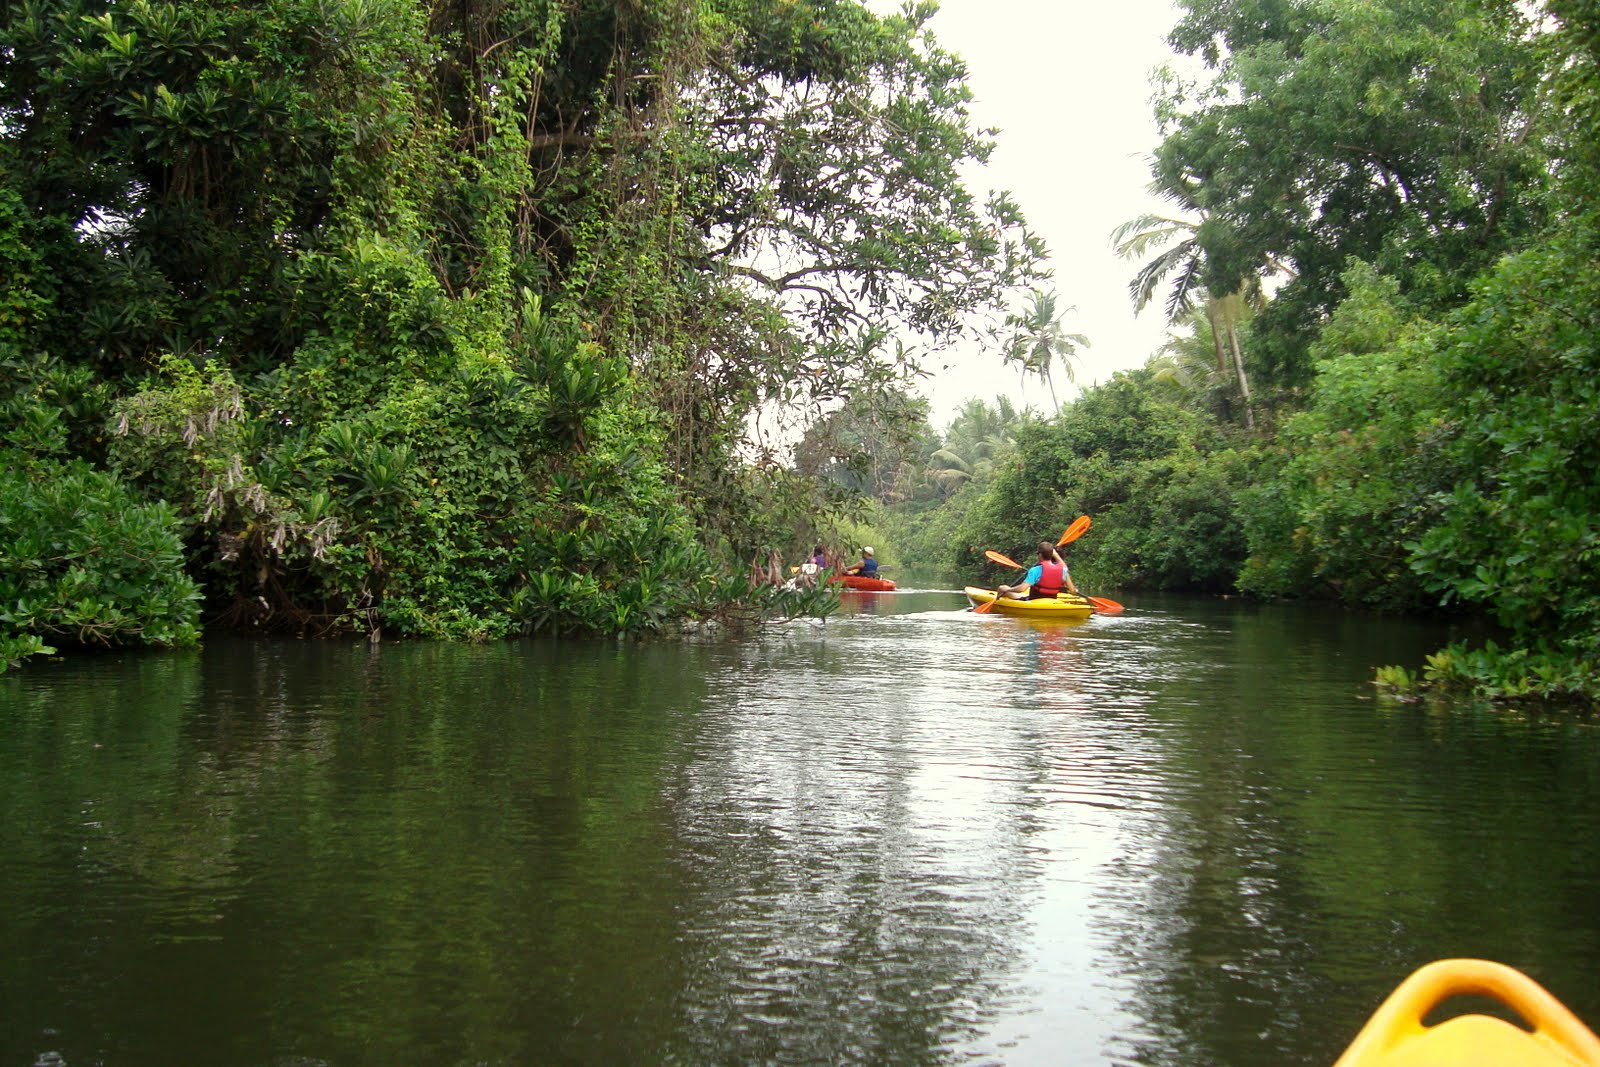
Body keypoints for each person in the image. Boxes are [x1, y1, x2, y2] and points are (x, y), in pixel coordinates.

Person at [999, 541, 1078, 600]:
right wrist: (1075, 590)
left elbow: (1022, 589)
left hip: (1033, 601)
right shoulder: (1063, 571)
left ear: (1040, 554)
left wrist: (1009, 589)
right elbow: (1073, 591)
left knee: (1002, 588)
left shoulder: (1035, 570)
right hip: (1052, 602)